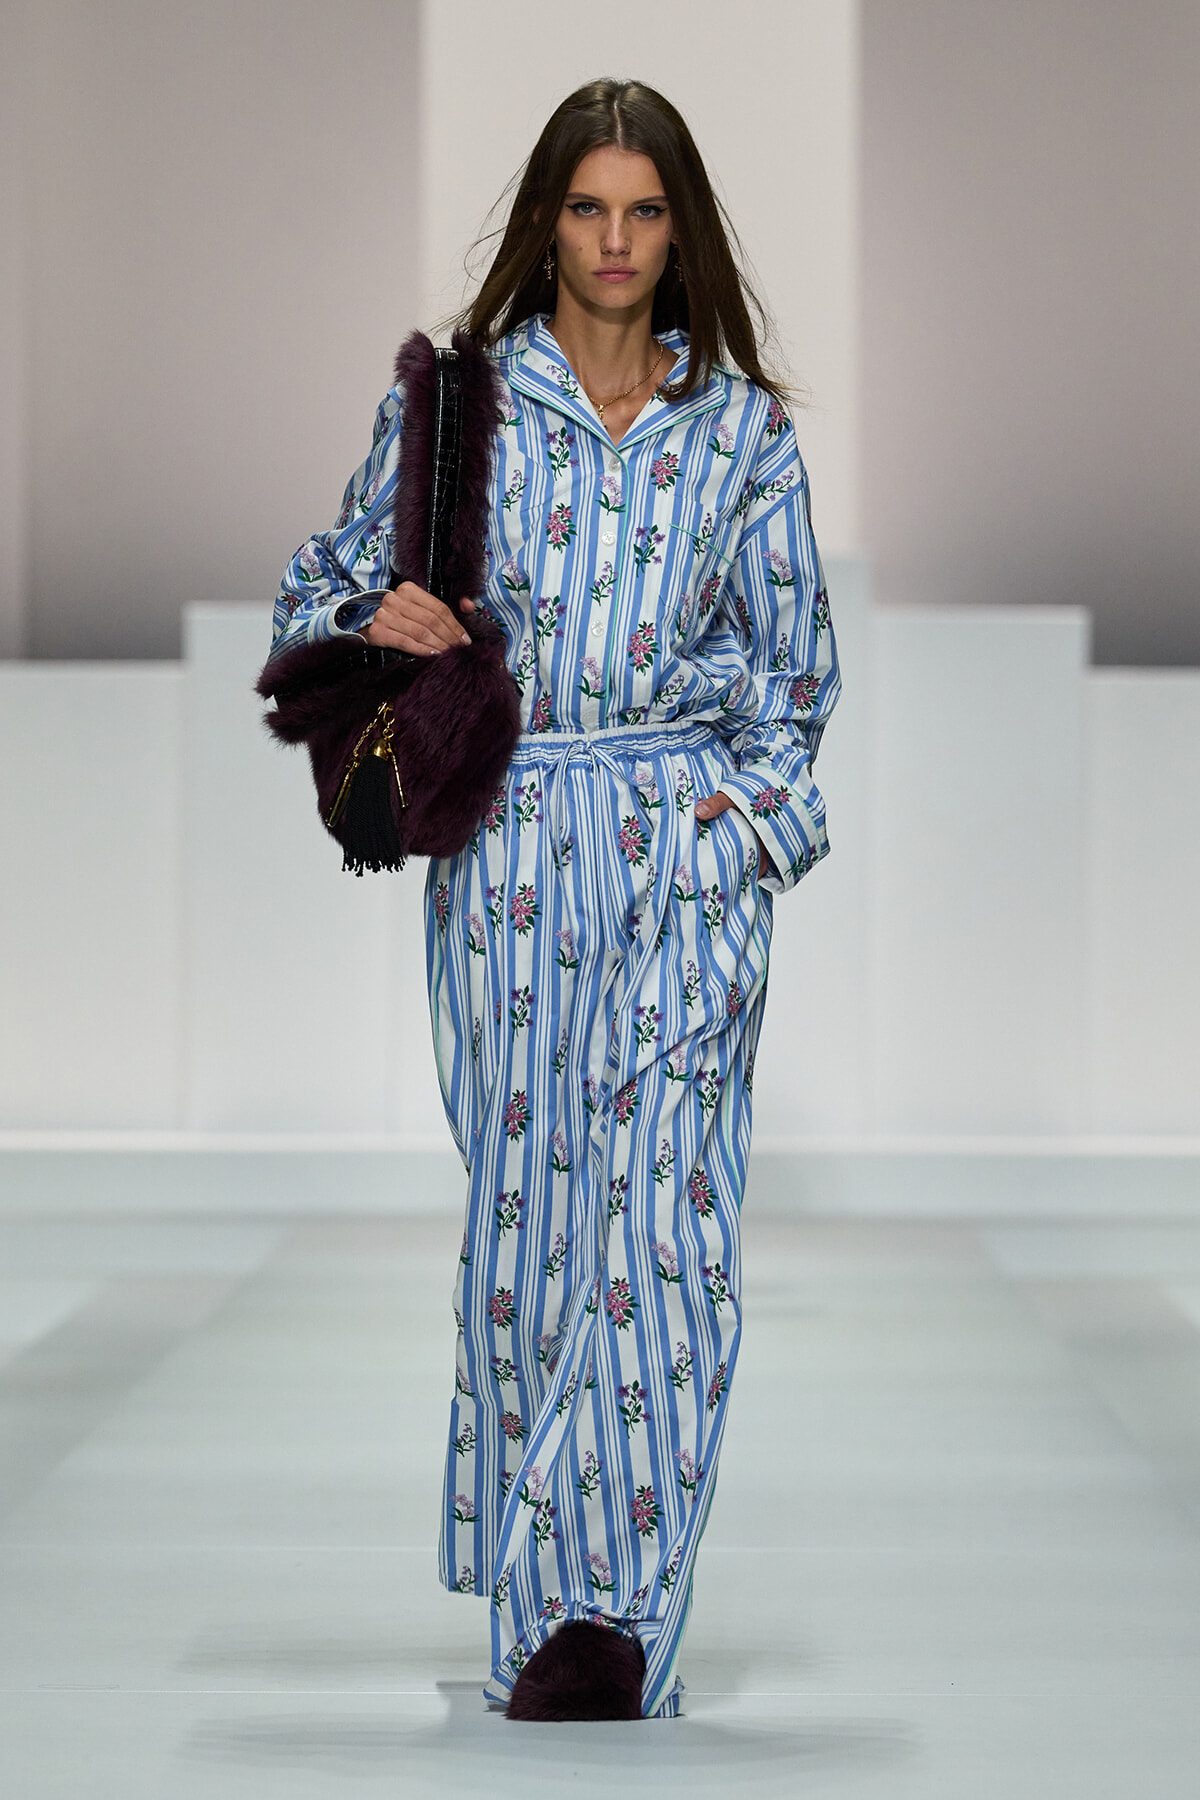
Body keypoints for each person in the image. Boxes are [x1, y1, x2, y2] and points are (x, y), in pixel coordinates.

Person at [270, 77, 839, 1721]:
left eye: (645, 210)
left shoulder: (740, 430)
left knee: (672, 1225)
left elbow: (795, 672)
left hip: (682, 847)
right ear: (547, 220)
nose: (615, 241)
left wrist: (748, 828)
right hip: (511, 850)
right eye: (588, 208)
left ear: (682, 229)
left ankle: (615, 1611)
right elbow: (320, 584)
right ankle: (542, 1601)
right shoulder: (464, 406)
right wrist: (384, 620)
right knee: (535, 1217)